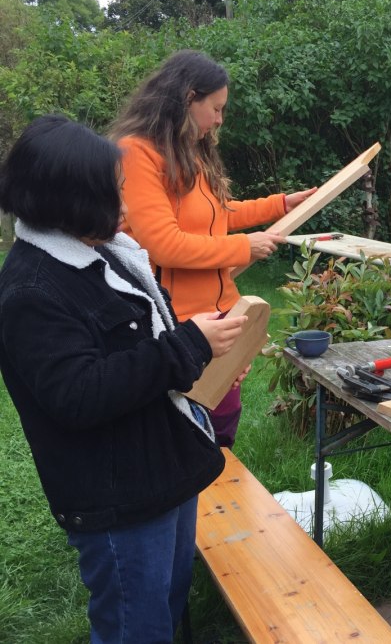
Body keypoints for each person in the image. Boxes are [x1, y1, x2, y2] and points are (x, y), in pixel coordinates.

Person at [0, 115, 247, 642]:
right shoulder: (31, 292)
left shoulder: (104, 252)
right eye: (114, 193)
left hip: (161, 468)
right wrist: (190, 346)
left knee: (165, 602)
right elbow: (79, 395)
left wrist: (210, 357)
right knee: (135, 626)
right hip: (119, 496)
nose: (127, 207)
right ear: (69, 200)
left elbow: (148, 343)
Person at [109, 49, 317, 448]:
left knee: (221, 423)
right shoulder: (138, 153)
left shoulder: (190, 151)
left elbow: (217, 214)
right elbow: (163, 245)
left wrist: (280, 204)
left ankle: (221, 487)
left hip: (220, 315)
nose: (220, 119)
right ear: (189, 98)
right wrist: (244, 247)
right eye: (216, 108)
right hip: (174, 323)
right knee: (184, 432)